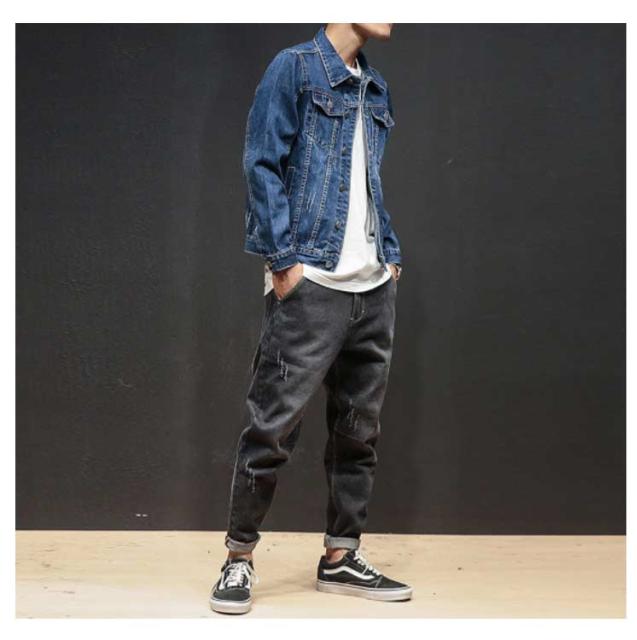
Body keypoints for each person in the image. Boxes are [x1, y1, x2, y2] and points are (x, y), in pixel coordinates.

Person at [210, 23, 411, 615]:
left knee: (359, 432)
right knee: (272, 427)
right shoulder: (294, 67)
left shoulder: (374, 86)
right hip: (312, 281)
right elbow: (261, 163)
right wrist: (283, 261)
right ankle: (238, 557)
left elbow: (367, 182)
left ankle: (341, 555)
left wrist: (389, 255)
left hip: (372, 285)